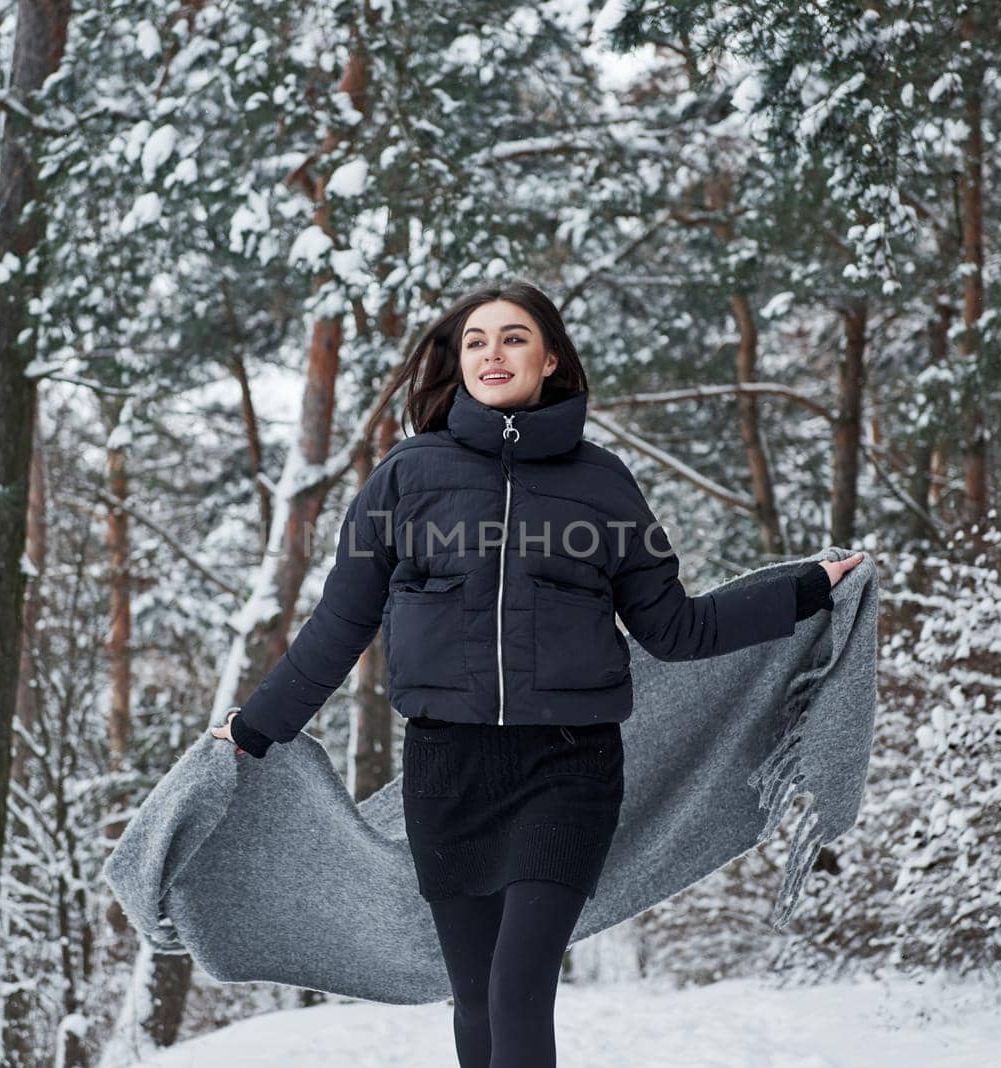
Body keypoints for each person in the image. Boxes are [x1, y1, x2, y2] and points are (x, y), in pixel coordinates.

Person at [210, 280, 865, 1067]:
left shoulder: (604, 484)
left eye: (514, 337)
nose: (493, 353)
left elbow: (676, 628)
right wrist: (252, 730)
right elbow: (339, 627)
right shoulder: (404, 479)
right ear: (458, 360)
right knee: (478, 993)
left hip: (569, 767)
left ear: (550, 358)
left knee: (520, 985)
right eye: (476, 340)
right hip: (447, 770)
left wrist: (805, 589)